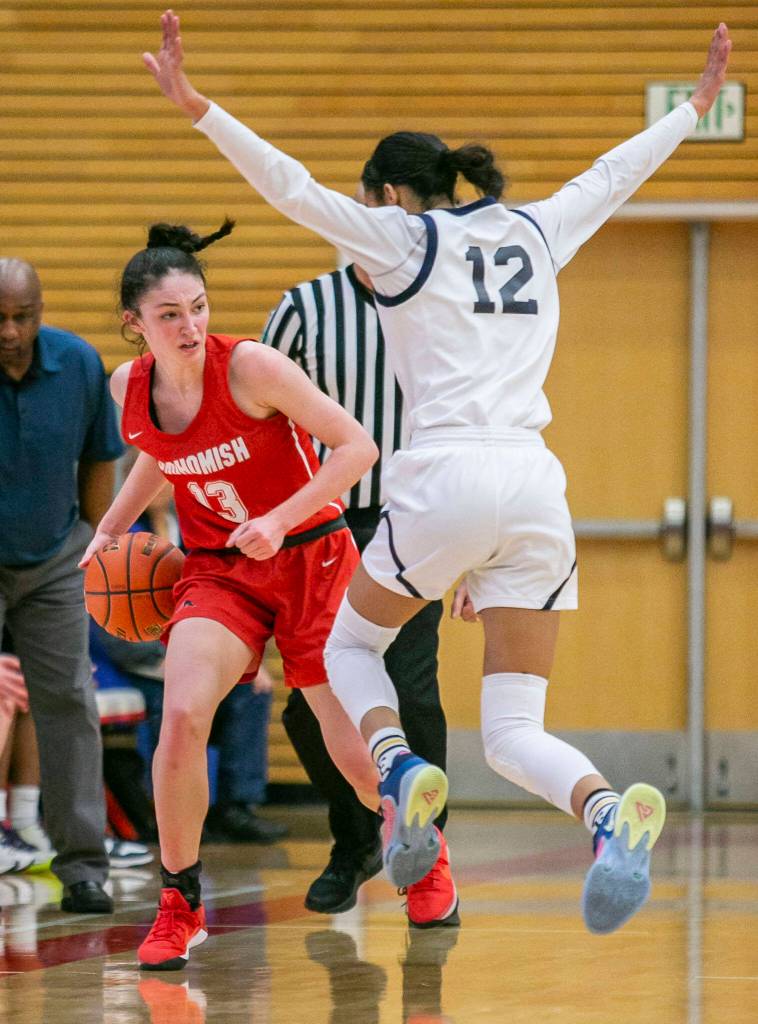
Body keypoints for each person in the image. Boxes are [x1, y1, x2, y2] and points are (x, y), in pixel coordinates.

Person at [142, 14, 731, 936]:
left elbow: (290, 188)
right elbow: (612, 176)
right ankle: (611, 817)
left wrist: (197, 107)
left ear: (388, 196)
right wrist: (694, 109)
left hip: (445, 479)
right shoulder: (537, 228)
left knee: (344, 653)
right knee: (511, 733)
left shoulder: (404, 240)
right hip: (538, 491)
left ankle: (402, 772)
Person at [79, 218, 379, 969]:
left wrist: (279, 520)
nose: (189, 325)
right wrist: (111, 527)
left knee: (344, 740)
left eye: (198, 307)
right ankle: (178, 901)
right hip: (218, 569)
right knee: (180, 714)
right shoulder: (130, 387)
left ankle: (425, 855)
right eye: (169, 314)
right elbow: (160, 455)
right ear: (134, 324)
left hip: (309, 554)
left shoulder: (251, 368)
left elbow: (357, 448)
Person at [263, 259, 456, 927]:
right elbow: (260, 420)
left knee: (412, 690)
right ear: (372, 202)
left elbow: (469, 425)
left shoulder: (446, 301)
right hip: (320, 524)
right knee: (308, 712)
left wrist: (479, 553)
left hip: (411, 519)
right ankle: (357, 841)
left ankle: (428, 861)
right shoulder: (304, 307)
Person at [0, 258, 123, 911]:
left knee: (70, 701)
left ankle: (83, 866)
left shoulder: (76, 364)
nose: (11, 331)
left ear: (40, 312)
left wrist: (92, 542)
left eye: (22, 317)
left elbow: (102, 457)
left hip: (52, 557)